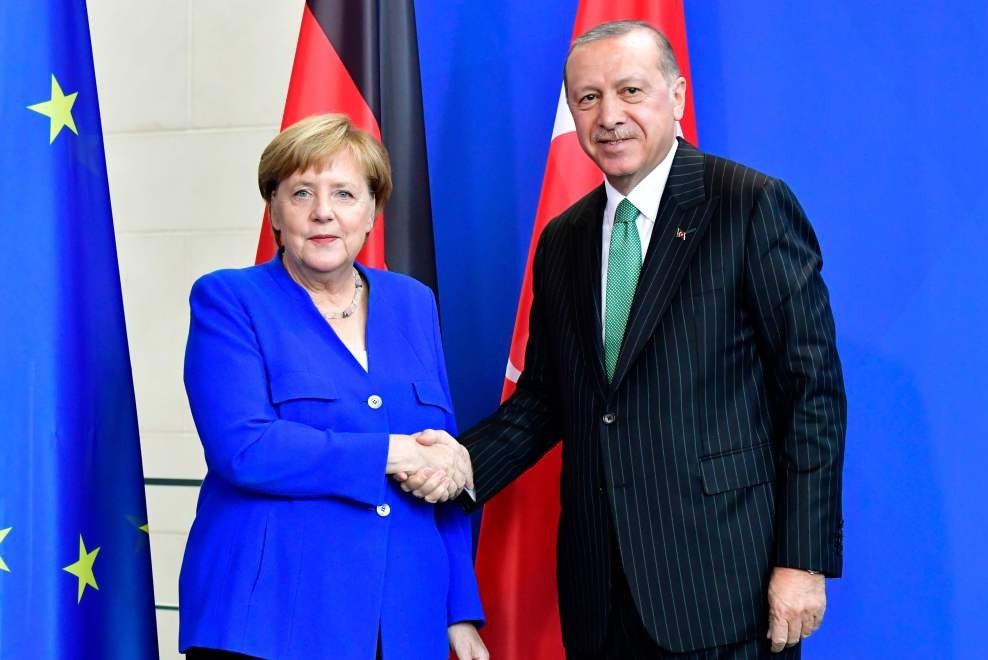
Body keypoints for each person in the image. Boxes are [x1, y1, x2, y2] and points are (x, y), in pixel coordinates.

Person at [401, 20, 846, 659]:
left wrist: (802, 560)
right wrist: (460, 464)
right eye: (588, 98)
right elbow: (545, 400)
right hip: (600, 592)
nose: (609, 116)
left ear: (676, 95)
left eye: (630, 90)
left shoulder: (749, 205)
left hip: (726, 585)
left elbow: (813, 394)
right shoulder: (564, 240)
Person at [179, 113, 487, 660]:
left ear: (372, 211)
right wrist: (390, 452)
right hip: (270, 619)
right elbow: (244, 448)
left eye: (344, 193)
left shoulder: (413, 303)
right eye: (302, 192)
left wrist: (458, 609)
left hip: (403, 619)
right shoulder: (229, 300)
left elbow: (441, 459)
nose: (323, 211)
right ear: (274, 210)